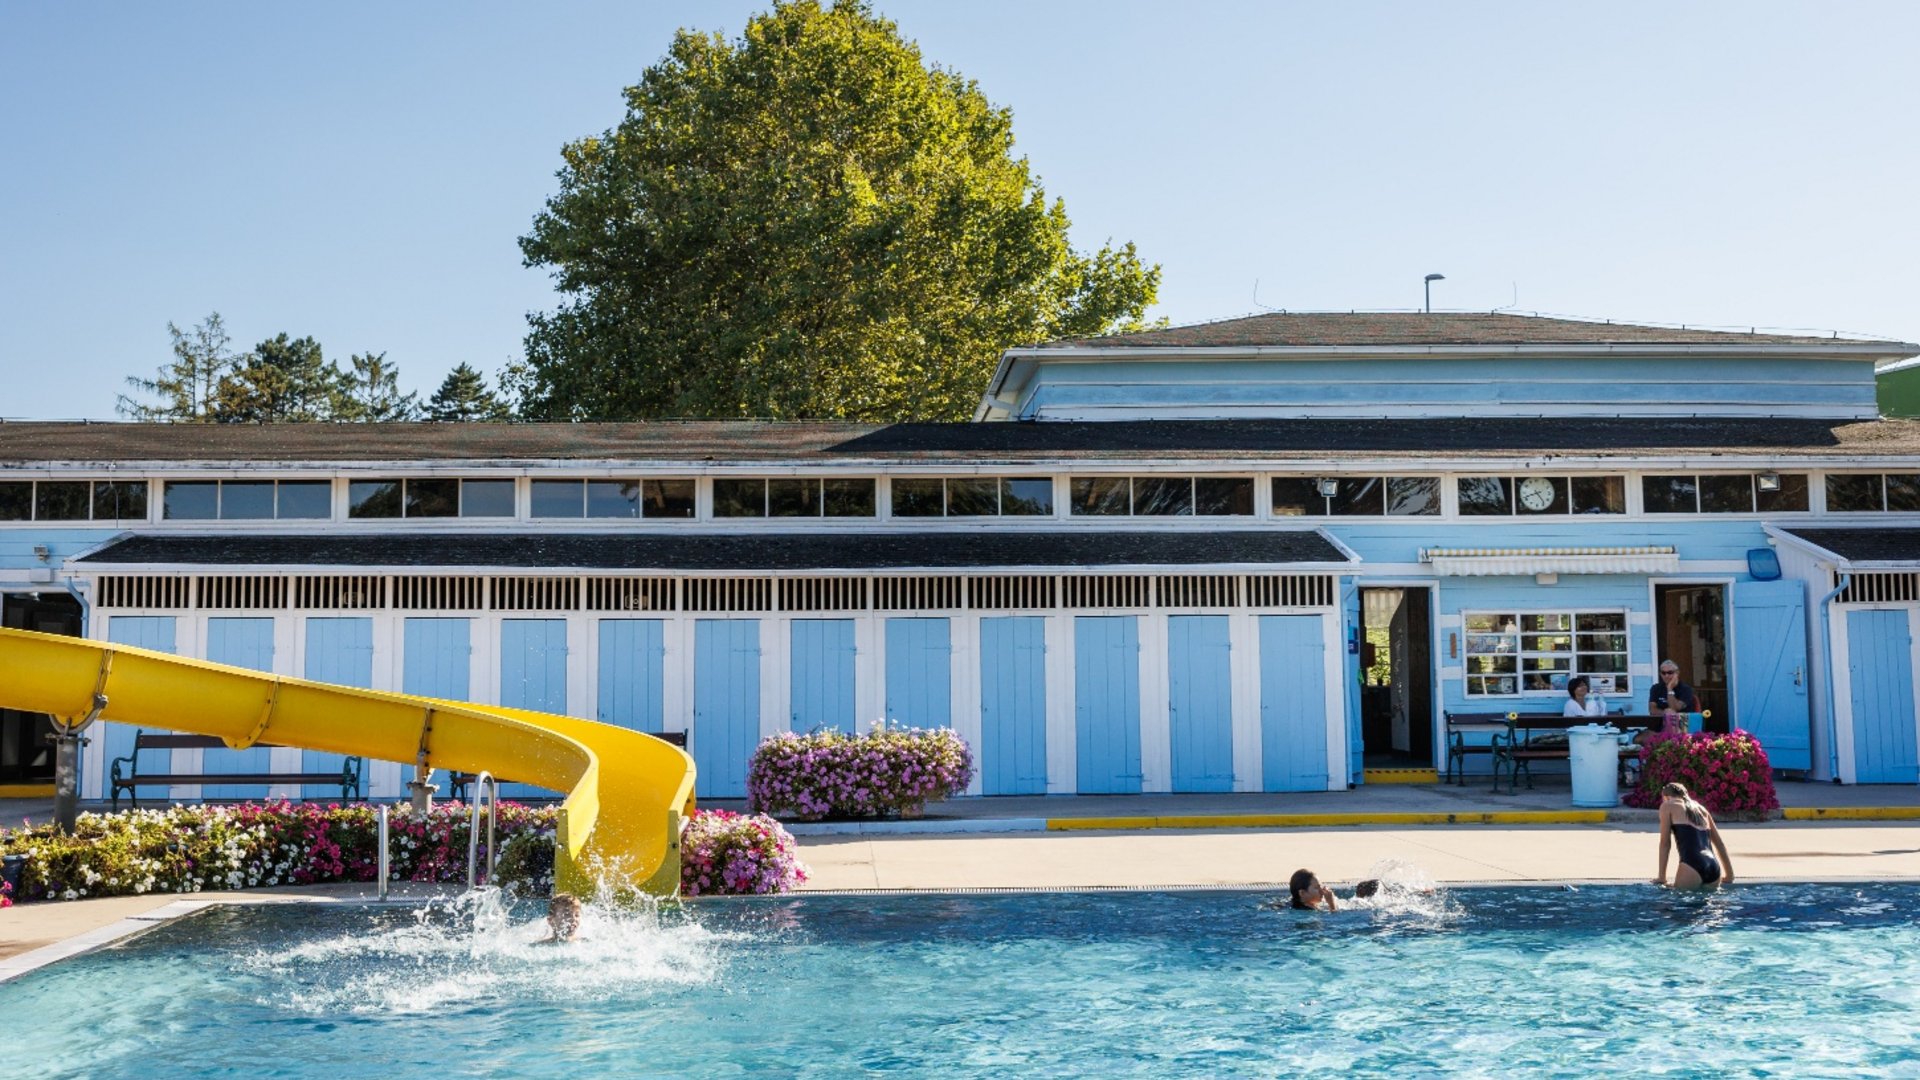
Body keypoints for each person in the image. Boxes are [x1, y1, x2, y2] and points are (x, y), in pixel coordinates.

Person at [1654, 782, 1734, 890]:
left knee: (1682, 904)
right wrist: (1729, 875)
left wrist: (1661, 877)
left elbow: (1665, 843)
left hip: (1691, 865)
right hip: (1713, 867)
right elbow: (1719, 844)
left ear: (1666, 797)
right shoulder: (1701, 809)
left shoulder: (1668, 806)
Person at [1641, 661, 1700, 744]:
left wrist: (1669, 689)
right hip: (1659, 725)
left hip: (1682, 726)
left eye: (1670, 672)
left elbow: (1675, 708)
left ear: (1677, 673)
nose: (1666, 675)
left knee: (1670, 712)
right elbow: (1652, 710)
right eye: (1663, 673)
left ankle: (1666, 740)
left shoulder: (1686, 689)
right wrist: (1666, 713)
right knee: (1637, 738)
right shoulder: (1656, 688)